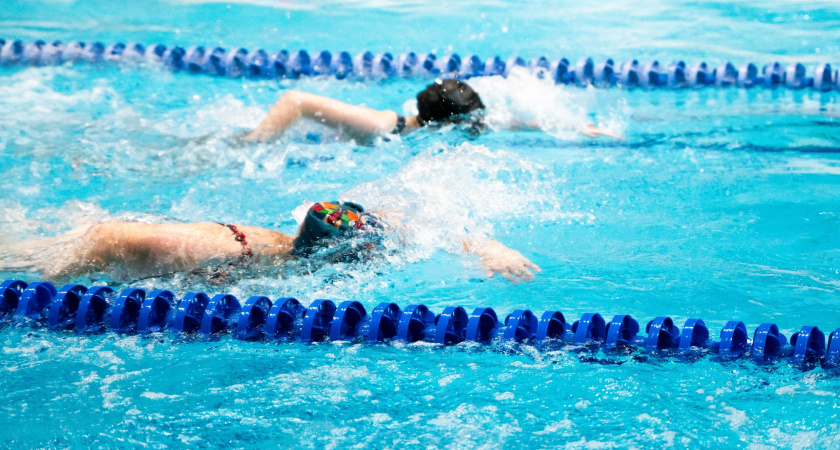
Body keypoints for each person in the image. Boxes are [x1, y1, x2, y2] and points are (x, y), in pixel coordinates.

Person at [33, 201, 540, 283]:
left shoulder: (304, 250)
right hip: (79, 250)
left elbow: (421, 222)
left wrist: (485, 248)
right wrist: (49, 277)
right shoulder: (238, 250)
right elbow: (107, 238)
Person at [243, 79, 620, 143]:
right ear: (451, 121)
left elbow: (507, 124)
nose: (478, 125)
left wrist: (574, 126)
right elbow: (295, 100)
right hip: (313, 143)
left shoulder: (445, 126)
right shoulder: (381, 126)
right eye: (470, 119)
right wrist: (258, 140)